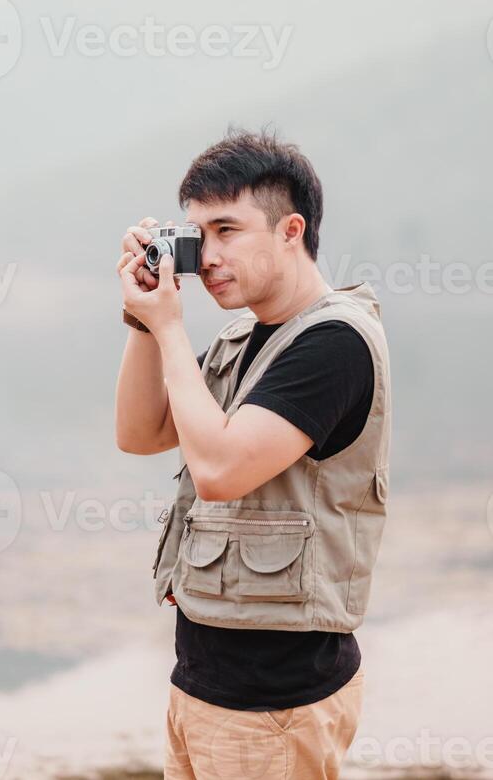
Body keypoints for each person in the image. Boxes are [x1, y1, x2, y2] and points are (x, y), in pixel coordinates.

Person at [115, 126, 391, 780]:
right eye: (194, 234)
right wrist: (144, 321)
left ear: (291, 230)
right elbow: (140, 433)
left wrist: (171, 326)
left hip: (274, 702)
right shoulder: (247, 338)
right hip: (205, 685)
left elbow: (218, 472)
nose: (206, 254)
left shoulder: (333, 345)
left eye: (227, 230)